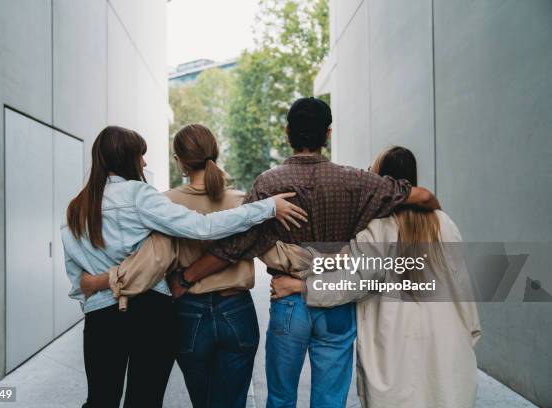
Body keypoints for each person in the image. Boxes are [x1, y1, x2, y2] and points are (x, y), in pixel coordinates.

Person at [170, 98, 441, 408]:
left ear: (288, 133)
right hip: (337, 303)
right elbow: (423, 196)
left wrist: (187, 277)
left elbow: (234, 246)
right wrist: (438, 214)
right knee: (330, 400)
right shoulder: (357, 181)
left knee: (282, 398)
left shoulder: (269, 183)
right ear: (327, 134)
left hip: (289, 302)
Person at [60, 125, 306, 408]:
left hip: (102, 317)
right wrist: (268, 208)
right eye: (141, 155)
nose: (145, 162)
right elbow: (202, 227)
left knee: (100, 399)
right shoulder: (140, 196)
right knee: (145, 399)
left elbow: (77, 274)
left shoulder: (76, 207)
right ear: (125, 157)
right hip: (152, 311)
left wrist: (97, 289)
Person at [271, 146, 482, 408]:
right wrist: (469, 332)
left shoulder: (377, 229)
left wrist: (297, 285)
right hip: (449, 350)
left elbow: (349, 284)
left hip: (395, 355)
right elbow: (462, 287)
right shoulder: (444, 223)